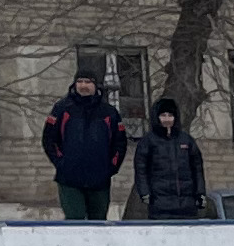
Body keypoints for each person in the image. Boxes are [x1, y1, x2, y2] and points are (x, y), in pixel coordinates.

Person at [41, 72, 127, 222]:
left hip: (99, 179)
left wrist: (111, 167)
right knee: (75, 220)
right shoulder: (62, 108)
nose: (83, 85)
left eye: (88, 82)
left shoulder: (109, 112)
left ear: (96, 85)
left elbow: (120, 143)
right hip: (70, 178)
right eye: (80, 81)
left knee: (98, 222)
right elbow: (49, 139)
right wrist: (62, 164)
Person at [129, 96, 210, 220]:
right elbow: (141, 169)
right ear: (157, 117)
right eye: (163, 115)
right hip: (160, 205)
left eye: (170, 115)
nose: (167, 119)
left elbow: (197, 168)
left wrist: (200, 192)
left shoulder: (186, 140)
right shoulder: (148, 141)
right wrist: (144, 192)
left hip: (187, 205)